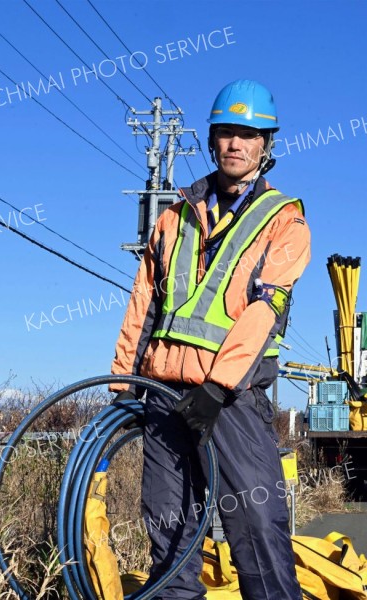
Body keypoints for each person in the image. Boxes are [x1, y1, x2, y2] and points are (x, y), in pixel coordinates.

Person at [110, 79, 311, 600]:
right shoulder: (175, 216)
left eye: (249, 134)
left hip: (232, 400)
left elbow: (265, 309)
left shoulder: (284, 220)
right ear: (212, 140)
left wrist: (218, 387)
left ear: (267, 145)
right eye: (226, 133)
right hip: (163, 395)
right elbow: (145, 302)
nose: (236, 144)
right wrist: (123, 386)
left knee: (256, 528)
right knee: (169, 528)